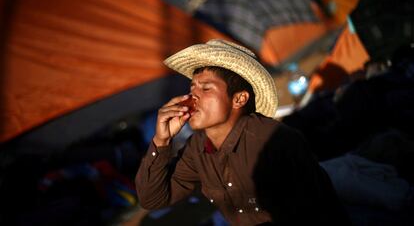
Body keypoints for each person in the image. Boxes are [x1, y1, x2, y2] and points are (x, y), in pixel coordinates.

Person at [135, 39, 350, 225]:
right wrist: (161, 140)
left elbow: (314, 213)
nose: (193, 97)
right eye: (192, 88)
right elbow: (152, 199)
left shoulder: (272, 141)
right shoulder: (197, 148)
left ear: (239, 99)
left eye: (206, 88)